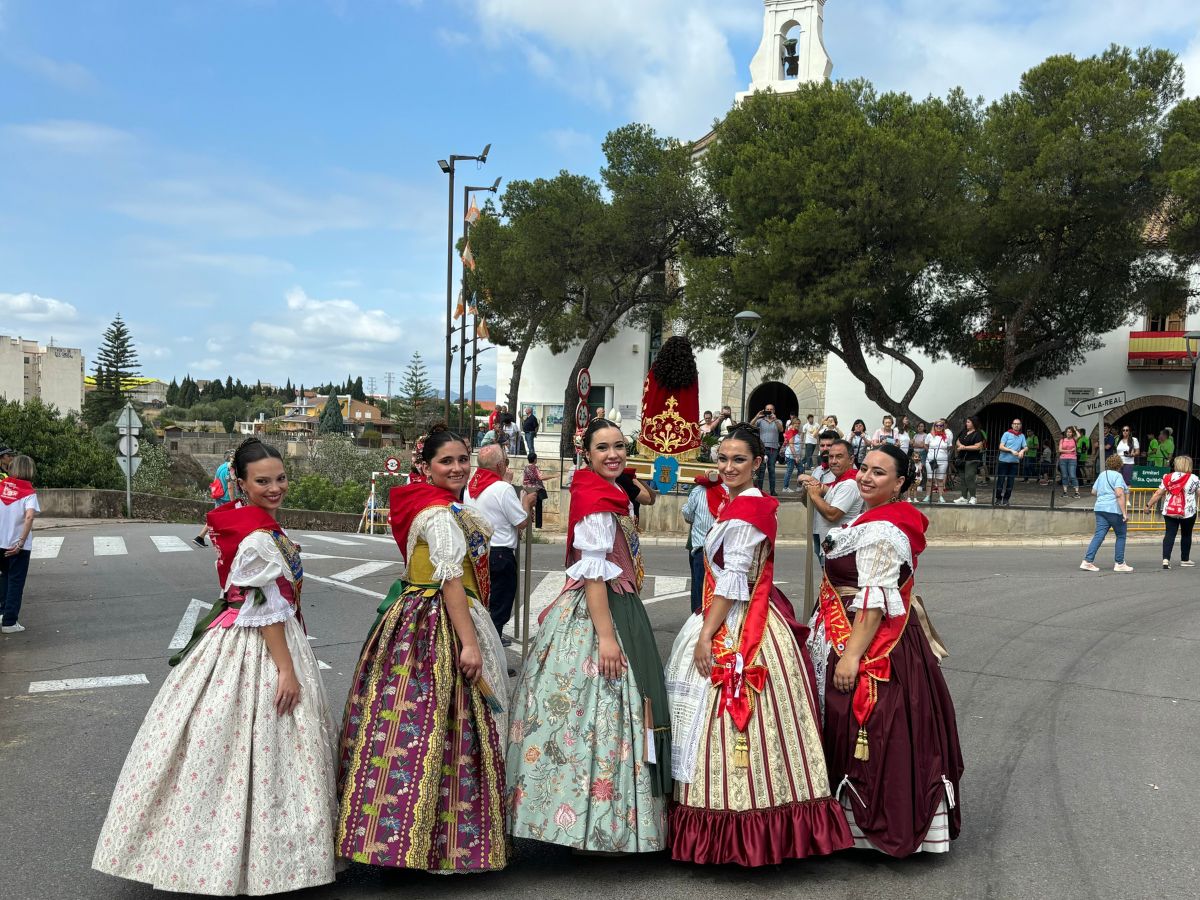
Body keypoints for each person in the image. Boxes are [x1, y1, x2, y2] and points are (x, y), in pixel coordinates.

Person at [94, 437, 339, 895]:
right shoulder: (258, 536)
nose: (274, 487)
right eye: (262, 481)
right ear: (241, 484)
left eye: (280, 478)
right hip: (260, 646)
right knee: (268, 746)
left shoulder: (245, 526)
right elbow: (265, 607)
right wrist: (285, 670)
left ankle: (216, 853)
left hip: (233, 635)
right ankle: (258, 860)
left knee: (220, 750)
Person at [664, 425, 852, 866]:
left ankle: (738, 829)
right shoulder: (741, 505)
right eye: (723, 459)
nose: (728, 467)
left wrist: (707, 635)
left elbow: (732, 583)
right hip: (745, 614)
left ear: (758, 463)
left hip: (741, 622)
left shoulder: (747, 510)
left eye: (739, 460)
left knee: (732, 717)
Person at [337, 425, 509, 872]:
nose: (456, 468)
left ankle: (400, 838)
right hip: (442, 621)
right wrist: (469, 644)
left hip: (411, 618)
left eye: (462, 459)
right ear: (426, 467)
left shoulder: (431, 504)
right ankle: (444, 846)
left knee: (409, 725)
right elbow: (450, 580)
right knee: (449, 727)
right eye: (446, 462)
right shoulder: (437, 514)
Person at [507, 418, 670, 853]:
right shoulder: (595, 499)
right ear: (587, 453)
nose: (613, 454)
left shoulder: (609, 489)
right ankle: (590, 823)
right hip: (601, 611)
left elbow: (649, 496)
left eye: (619, 446)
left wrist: (630, 479)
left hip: (623, 602)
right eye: (603, 448)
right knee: (598, 712)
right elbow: (594, 575)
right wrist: (606, 637)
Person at [810, 445, 963, 856]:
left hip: (873, 640)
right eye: (864, 468)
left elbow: (874, 601)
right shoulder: (869, 519)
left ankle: (867, 828)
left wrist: (852, 656)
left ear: (899, 484)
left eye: (879, 473)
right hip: (843, 625)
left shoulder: (884, 529)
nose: (865, 476)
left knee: (870, 721)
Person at [465, 444, 537, 646]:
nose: (507, 464)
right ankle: (493, 660)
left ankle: (483, 647)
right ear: (499, 465)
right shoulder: (502, 489)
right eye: (505, 461)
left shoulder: (471, 486)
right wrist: (527, 502)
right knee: (499, 609)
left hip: (478, 553)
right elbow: (521, 521)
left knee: (482, 606)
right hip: (500, 554)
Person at [804, 440, 863, 566]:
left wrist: (814, 494)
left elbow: (832, 514)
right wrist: (805, 481)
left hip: (841, 553)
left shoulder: (850, 484)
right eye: (831, 457)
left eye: (839, 457)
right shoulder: (840, 482)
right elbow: (818, 489)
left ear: (851, 459)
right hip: (832, 549)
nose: (833, 461)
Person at [0, 455, 38, 634]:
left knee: (4, 577)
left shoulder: (1, 487)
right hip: (16, 546)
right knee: (15, 581)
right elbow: (29, 516)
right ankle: (9, 622)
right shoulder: (29, 493)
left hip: (0, 543)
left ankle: (2, 612)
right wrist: (21, 542)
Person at [1080, 455, 1133, 573]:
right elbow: (1119, 494)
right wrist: (1124, 513)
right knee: (1121, 535)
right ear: (1119, 465)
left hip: (1100, 508)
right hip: (1113, 509)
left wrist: (1104, 492)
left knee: (1099, 535)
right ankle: (1119, 563)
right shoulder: (1118, 476)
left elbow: (1093, 491)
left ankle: (1087, 561)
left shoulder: (1102, 474)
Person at [681, 471, 724, 613]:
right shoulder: (728, 491)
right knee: (720, 588)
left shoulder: (697, 491)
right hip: (722, 549)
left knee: (699, 588)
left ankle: (697, 620)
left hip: (700, 548)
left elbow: (688, 514)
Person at [1147, 455, 1198, 569]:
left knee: (1169, 534)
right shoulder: (1194, 478)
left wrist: (1148, 505)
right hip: (1188, 512)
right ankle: (1185, 559)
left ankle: (1166, 560)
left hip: (1170, 510)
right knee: (1186, 534)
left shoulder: (1168, 477)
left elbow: (1158, 493)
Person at [193, 449, 235, 547]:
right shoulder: (230, 469)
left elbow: (215, 482)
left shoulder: (220, 467)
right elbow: (230, 486)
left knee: (215, 519)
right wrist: (233, 502)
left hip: (219, 496)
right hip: (226, 499)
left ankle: (200, 537)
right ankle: (220, 542)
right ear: (231, 458)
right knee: (227, 521)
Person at [750, 404, 784, 495]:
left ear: (774, 410)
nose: (769, 411)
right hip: (762, 449)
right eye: (767, 409)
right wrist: (757, 416)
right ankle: (759, 490)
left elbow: (781, 430)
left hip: (773, 449)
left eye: (771, 409)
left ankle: (772, 491)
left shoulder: (778, 421)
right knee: (761, 470)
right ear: (764, 410)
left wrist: (775, 419)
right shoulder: (760, 421)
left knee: (772, 470)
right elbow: (750, 425)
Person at [993, 418, 1027, 507]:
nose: (1016, 425)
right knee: (1000, 480)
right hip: (1003, 461)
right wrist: (1011, 451)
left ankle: (1006, 499)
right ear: (1012, 425)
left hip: (1014, 462)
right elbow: (1001, 446)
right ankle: (998, 498)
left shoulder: (1022, 436)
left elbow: (1026, 447)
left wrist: (1022, 451)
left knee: (1011, 482)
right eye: (1015, 424)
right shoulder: (1007, 434)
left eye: (1018, 424)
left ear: (1020, 426)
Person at [953, 417, 985, 504]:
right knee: (963, 478)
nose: (966, 423)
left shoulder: (978, 433)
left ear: (973, 423)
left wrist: (964, 447)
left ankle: (973, 497)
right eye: (966, 422)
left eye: (968, 422)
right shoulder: (964, 432)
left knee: (969, 477)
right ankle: (963, 497)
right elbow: (957, 441)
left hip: (972, 459)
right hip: (962, 458)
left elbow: (978, 446)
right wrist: (960, 445)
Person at [923, 419, 953, 504]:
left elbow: (949, 446)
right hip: (931, 460)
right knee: (929, 478)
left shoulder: (947, 436)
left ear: (943, 427)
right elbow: (925, 445)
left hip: (943, 460)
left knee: (940, 479)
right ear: (934, 426)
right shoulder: (930, 435)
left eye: (941, 426)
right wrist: (930, 452)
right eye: (937, 426)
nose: (939, 427)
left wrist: (942, 452)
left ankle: (941, 496)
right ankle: (927, 496)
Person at [522, 451, 551, 529]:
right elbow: (540, 477)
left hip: (528, 489)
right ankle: (538, 525)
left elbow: (524, 479)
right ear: (535, 459)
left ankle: (527, 523)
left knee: (528, 506)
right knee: (538, 507)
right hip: (536, 489)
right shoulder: (535, 468)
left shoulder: (526, 468)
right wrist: (552, 476)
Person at [782, 419, 806, 491]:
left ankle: (799, 487)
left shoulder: (796, 432)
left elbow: (798, 444)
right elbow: (792, 446)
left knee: (801, 469)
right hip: (791, 455)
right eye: (796, 423)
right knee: (789, 471)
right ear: (792, 424)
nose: (798, 425)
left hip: (796, 455)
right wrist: (796, 457)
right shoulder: (791, 432)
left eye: (799, 423)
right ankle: (785, 487)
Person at [1058, 427, 1080, 499]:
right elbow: (1060, 450)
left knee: (1072, 475)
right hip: (1063, 459)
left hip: (1072, 459)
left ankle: (1077, 493)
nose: (1068, 433)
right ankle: (1065, 492)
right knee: (1064, 476)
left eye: (1070, 432)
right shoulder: (1062, 440)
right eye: (1067, 432)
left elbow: (1079, 435)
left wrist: (1075, 429)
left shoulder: (1074, 439)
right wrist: (1070, 451)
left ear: (1072, 433)